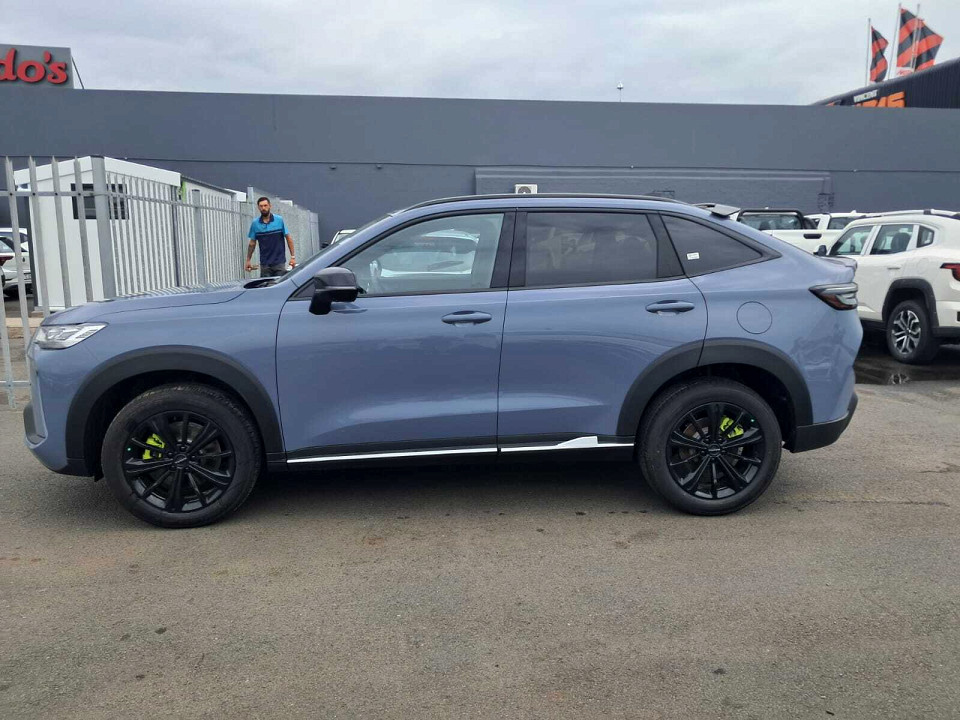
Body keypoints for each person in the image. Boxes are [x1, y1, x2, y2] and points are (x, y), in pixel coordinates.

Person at [246, 196, 296, 277]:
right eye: (261, 206)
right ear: (258, 207)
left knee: (280, 284)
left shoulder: (279, 220)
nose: (263, 208)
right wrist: (248, 260)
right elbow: (252, 243)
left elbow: (288, 238)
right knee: (265, 284)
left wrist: (292, 257)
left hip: (279, 263)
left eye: (265, 205)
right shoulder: (255, 224)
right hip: (265, 264)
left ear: (270, 206)